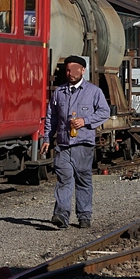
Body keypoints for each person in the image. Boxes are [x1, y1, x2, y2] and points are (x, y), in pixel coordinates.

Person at [39, 55, 110, 229]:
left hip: (83, 145)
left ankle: (84, 215)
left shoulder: (94, 92)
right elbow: (51, 117)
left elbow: (104, 112)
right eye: (68, 70)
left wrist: (85, 121)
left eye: (74, 70)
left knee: (83, 180)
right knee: (63, 180)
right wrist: (47, 138)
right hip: (63, 145)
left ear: (83, 70)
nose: (70, 73)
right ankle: (61, 215)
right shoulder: (59, 92)